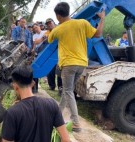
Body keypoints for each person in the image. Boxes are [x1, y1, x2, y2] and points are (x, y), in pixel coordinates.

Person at [48, 2, 105, 132]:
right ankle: (57, 115)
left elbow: (50, 39)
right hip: (82, 64)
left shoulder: (58, 29)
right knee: (68, 91)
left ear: (57, 15)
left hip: (68, 65)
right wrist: (102, 18)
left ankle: (76, 123)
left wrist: (55, 27)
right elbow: (98, 34)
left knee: (68, 91)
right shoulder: (82, 23)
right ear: (68, 11)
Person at [1, 65, 70, 142]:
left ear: (15, 86)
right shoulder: (52, 104)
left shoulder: (12, 113)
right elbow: (66, 139)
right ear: (33, 83)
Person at [45, 18, 63, 95]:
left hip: (61, 53)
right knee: (50, 70)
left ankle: (60, 88)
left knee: (60, 71)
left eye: (50, 23)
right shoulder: (47, 33)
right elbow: (47, 39)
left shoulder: (60, 29)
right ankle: (51, 86)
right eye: (48, 24)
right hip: (52, 54)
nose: (49, 25)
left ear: (54, 23)